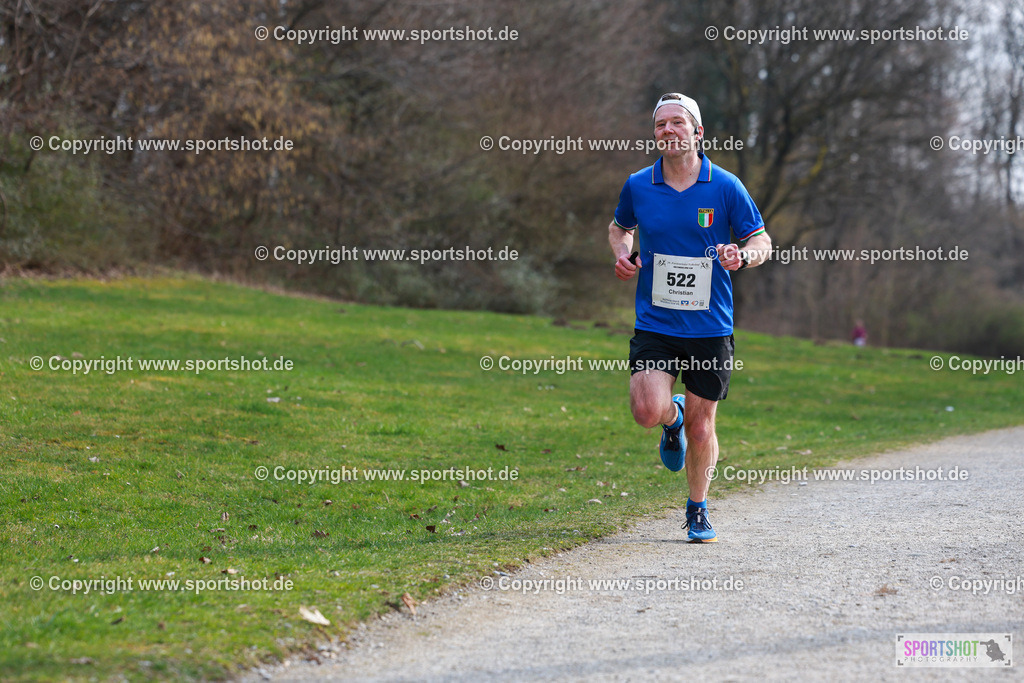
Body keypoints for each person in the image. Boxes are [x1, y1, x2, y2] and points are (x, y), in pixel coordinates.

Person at [608, 93, 772, 542]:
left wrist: (743, 256)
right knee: (645, 411)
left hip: (709, 327)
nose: (668, 131)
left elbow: (762, 242)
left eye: (677, 123)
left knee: (704, 425)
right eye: (660, 125)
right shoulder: (640, 184)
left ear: (697, 132)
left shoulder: (726, 187)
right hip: (655, 323)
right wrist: (623, 253)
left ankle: (697, 507)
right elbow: (619, 226)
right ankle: (669, 420)